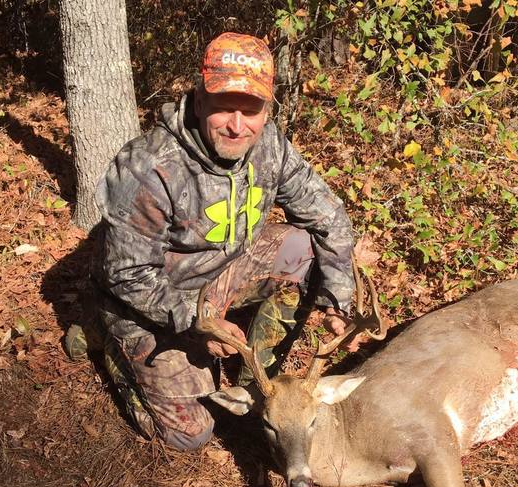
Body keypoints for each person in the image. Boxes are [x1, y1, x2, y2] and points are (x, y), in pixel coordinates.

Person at [67, 32, 357, 451]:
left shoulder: (269, 145)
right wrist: (195, 320)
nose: (238, 125)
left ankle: (258, 386)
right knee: (191, 432)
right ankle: (105, 335)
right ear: (201, 101)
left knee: (305, 252)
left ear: (267, 110)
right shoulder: (149, 167)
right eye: (224, 107)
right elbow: (125, 274)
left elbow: (327, 215)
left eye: (251, 110)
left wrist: (339, 301)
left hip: (222, 270)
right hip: (148, 299)